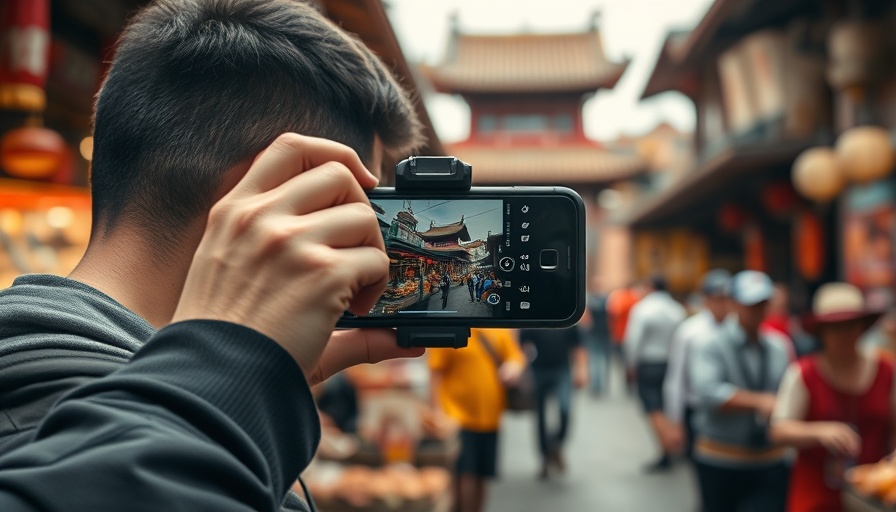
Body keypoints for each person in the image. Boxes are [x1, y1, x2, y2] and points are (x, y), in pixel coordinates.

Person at [0, 1, 426, 511]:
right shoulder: (53, 426)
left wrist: (244, 389)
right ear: (271, 192)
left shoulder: (57, 387)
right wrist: (225, 375)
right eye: (356, 210)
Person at [770, 283, 891, 512]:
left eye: (851, 325)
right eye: (836, 328)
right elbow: (778, 430)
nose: (845, 335)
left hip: (872, 498)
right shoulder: (803, 373)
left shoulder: (887, 371)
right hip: (816, 496)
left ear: (862, 327)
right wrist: (819, 431)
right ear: (821, 331)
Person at [689, 270, 793, 512]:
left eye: (761, 304)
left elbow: (788, 393)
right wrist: (760, 402)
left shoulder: (780, 346)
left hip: (770, 459)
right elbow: (708, 392)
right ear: (733, 303)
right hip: (721, 457)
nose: (756, 311)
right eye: (750, 304)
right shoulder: (710, 343)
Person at [428, 329, 525, 512]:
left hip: (490, 418)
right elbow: (436, 371)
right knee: (465, 476)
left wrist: (513, 367)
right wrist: (437, 411)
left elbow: (515, 356)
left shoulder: (498, 328)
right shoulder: (450, 326)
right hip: (457, 419)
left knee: (482, 477)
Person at [663, 269, 733, 460]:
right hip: (696, 409)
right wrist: (674, 422)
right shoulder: (690, 331)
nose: (721, 305)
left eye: (725, 299)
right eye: (716, 298)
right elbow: (676, 377)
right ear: (706, 299)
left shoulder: (736, 330)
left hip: (732, 408)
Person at [624, 276, 686, 472]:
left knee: (653, 408)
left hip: (649, 363)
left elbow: (633, 340)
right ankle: (672, 446)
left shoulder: (643, 309)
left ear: (650, 287)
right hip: (671, 361)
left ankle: (668, 449)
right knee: (668, 405)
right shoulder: (676, 309)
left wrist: (630, 365)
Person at [519, 326, 589, 479]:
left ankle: (555, 446)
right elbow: (522, 345)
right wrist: (522, 369)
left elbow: (578, 346)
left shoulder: (566, 316)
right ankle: (544, 458)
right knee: (540, 417)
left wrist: (581, 369)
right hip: (538, 371)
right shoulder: (533, 317)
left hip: (562, 371)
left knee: (565, 410)